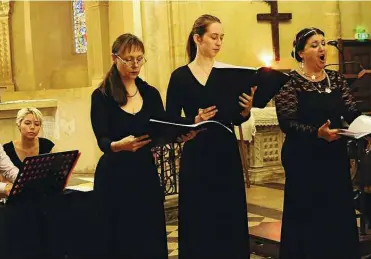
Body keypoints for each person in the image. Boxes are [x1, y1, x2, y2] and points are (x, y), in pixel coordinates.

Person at [165, 14, 254, 259]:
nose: (218, 43)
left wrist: (245, 111)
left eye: (221, 38)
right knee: (199, 216)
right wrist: (193, 120)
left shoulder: (228, 74)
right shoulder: (180, 76)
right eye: (213, 37)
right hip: (197, 153)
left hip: (225, 152)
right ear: (197, 38)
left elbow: (235, 117)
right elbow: (170, 121)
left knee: (228, 215)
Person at [274, 27, 361, 259]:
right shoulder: (289, 82)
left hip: (334, 156)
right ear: (301, 53)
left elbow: (351, 111)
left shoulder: (336, 79)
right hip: (303, 159)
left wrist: (369, 127)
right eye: (314, 45)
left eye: (323, 43)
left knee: (336, 212)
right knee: (308, 215)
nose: (322, 48)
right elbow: (288, 122)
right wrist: (317, 134)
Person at [90, 33, 168, 259]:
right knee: (119, 237)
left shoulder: (150, 94)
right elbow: (102, 139)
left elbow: (162, 128)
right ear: (115, 59)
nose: (135, 65)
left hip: (144, 173)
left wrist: (186, 129)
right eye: (129, 59)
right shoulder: (102, 96)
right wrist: (118, 146)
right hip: (114, 175)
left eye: (140, 58)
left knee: (147, 235)